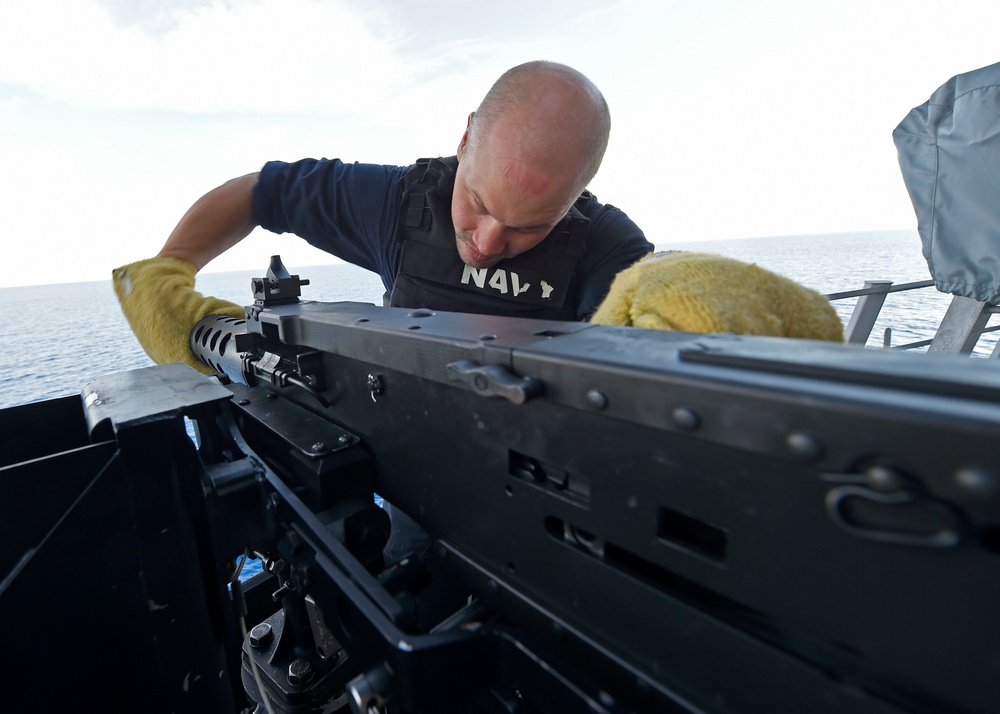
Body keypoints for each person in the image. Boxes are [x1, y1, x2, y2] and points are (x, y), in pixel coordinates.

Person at [113, 61, 654, 372]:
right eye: (479, 204)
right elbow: (260, 191)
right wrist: (167, 274)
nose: (487, 242)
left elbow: (658, 331)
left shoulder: (607, 246)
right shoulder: (401, 204)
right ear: (465, 140)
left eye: (529, 226)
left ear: (576, 194)